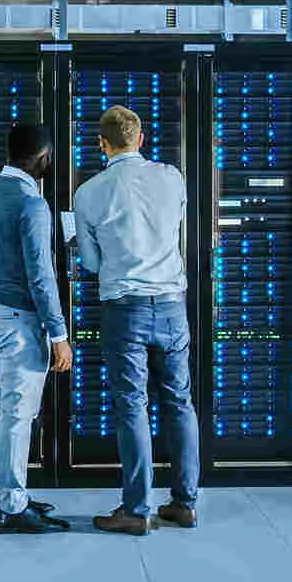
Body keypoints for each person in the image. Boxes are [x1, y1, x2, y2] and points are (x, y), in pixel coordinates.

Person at [73, 105, 201, 536]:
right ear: (141, 138)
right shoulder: (172, 178)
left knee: (132, 406)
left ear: (101, 144)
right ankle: (184, 504)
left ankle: (136, 509)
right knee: (179, 402)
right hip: (171, 305)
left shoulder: (89, 193)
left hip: (124, 309)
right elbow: (174, 227)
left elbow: (90, 264)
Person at [0, 123, 73, 534]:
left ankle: (4, 495)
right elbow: (41, 275)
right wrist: (59, 334)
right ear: (43, 157)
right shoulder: (32, 202)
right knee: (18, 413)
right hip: (17, 319)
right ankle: (13, 506)